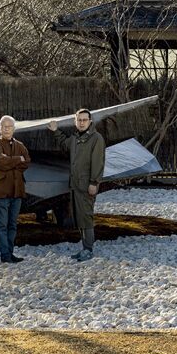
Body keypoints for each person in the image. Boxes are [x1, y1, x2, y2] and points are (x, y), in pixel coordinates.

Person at [47, 107, 105, 261]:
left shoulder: (96, 138)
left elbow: (98, 163)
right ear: (75, 121)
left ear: (90, 121)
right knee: (79, 217)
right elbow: (65, 144)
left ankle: (89, 249)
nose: (81, 122)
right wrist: (55, 131)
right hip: (75, 184)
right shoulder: (75, 138)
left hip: (87, 185)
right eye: (79, 120)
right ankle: (84, 248)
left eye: (84, 120)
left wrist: (94, 183)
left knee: (86, 217)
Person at [0, 115, 31, 263]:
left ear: (14, 128)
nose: (7, 129)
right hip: (0, 191)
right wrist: (16, 160)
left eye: (10, 126)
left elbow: (26, 162)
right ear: (0, 128)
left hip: (17, 190)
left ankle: (10, 253)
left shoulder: (20, 145)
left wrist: (10, 160)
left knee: (12, 224)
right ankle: (5, 255)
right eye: (4, 126)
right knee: (2, 225)